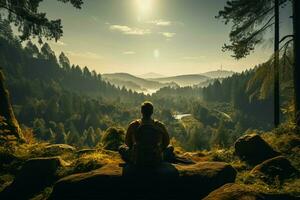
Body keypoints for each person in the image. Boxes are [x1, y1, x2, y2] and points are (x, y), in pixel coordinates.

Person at [119, 101, 174, 167]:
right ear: (152, 112)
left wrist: (136, 148)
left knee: (121, 148)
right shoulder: (159, 125)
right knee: (170, 147)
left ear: (141, 111)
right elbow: (167, 142)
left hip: (138, 159)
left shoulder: (133, 125)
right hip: (156, 160)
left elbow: (127, 143)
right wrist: (158, 149)